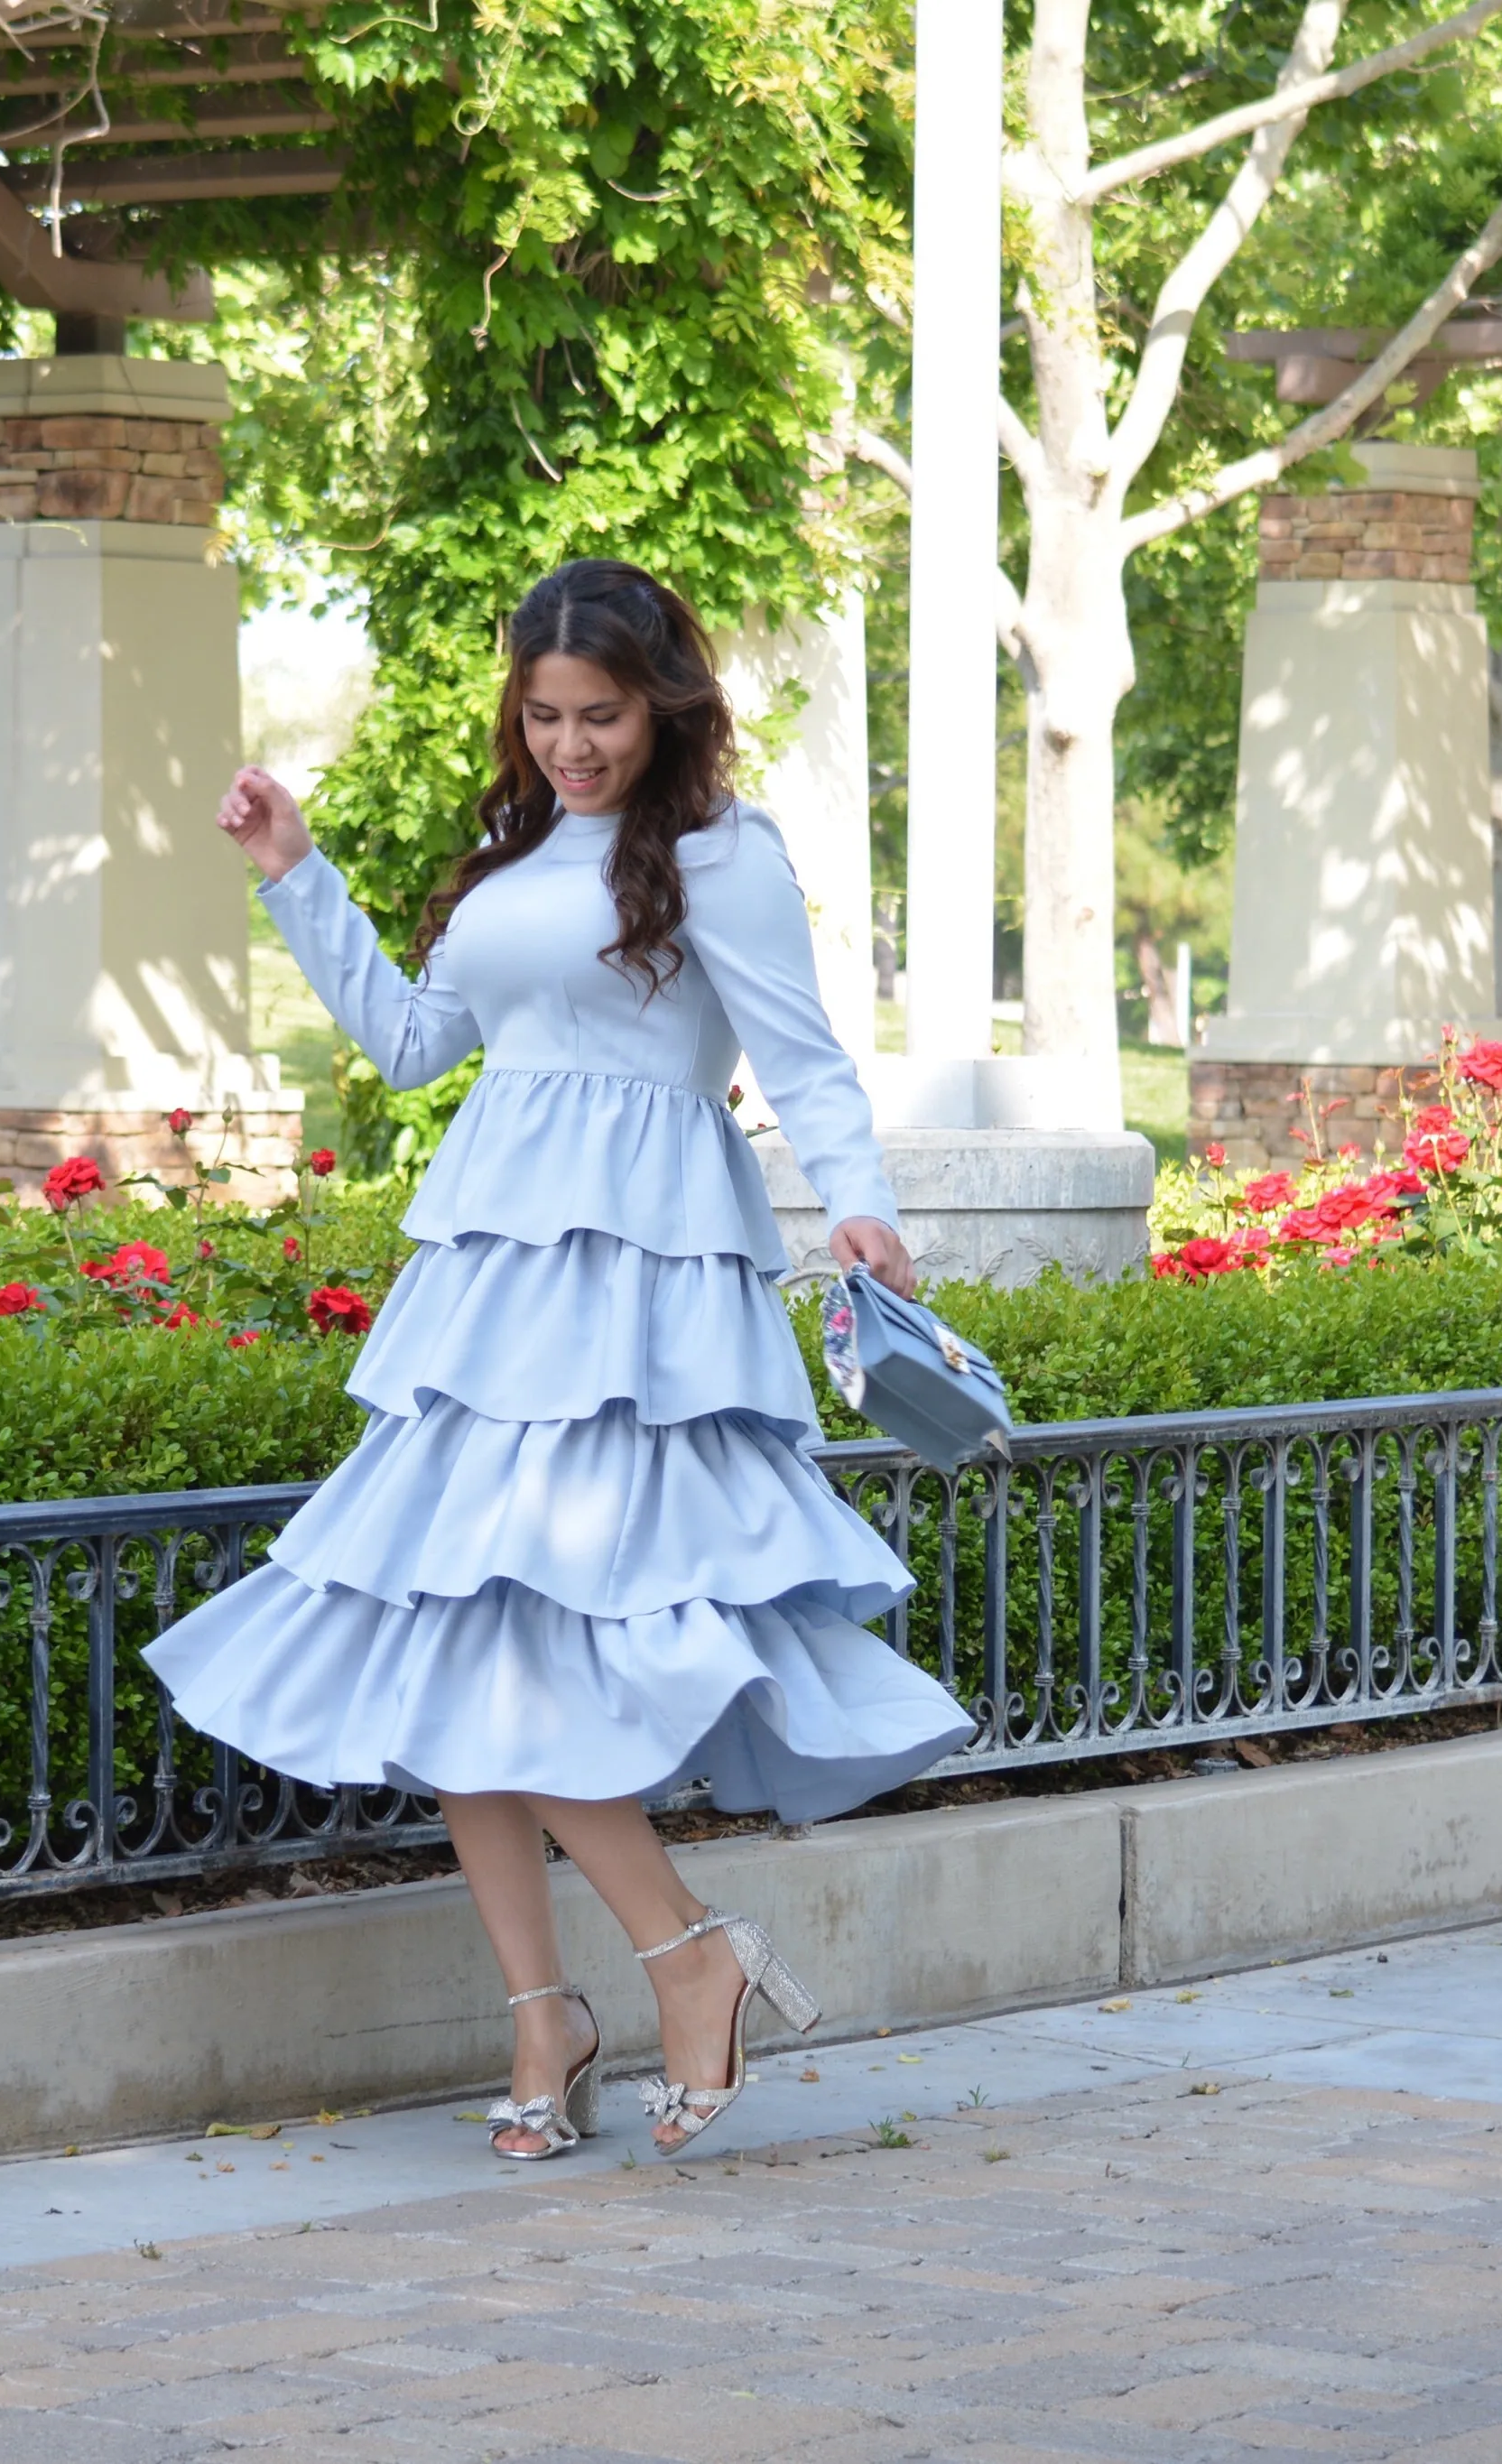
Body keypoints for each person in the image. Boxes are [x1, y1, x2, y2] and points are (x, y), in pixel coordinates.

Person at [143, 557, 974, 2162]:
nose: (572, 745)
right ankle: (550, 2011)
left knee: (537, 1653)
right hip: (488, 1289)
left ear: (663, 707)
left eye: (600, 715)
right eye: (545, 715)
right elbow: (406, 1046)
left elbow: (805, 1058)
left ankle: (683, 1953)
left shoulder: (727, 857)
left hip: (641, 1296)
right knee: (461, 1645)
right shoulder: (514, 859)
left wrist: (863, 1206)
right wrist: (290, 871)